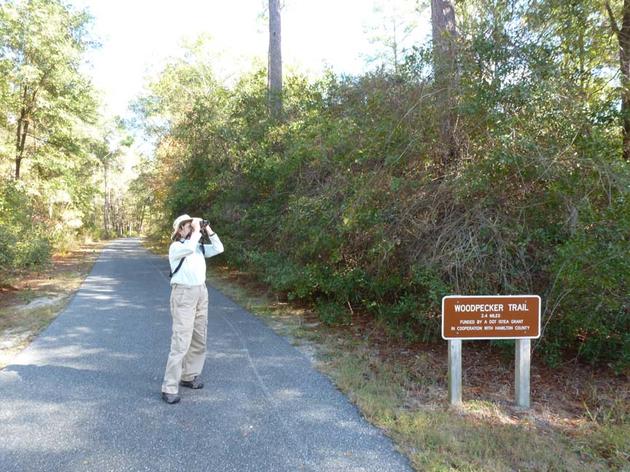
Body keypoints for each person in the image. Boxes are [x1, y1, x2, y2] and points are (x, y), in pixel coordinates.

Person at [161, 214, 224, 404]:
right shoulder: (177, 247)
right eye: (188, 225)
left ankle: (189, 376)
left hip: (201, 293)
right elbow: (188, 247)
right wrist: (197, 231)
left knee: (199, 337)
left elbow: (219, 248)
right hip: (183, 295)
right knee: (181, 340)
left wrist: (208, 229)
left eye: (192, 225)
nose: (192, 227)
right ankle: (169, 387)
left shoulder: (196, 246)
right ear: (180, 229)